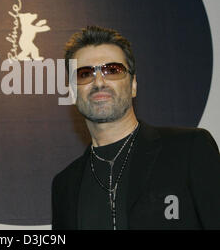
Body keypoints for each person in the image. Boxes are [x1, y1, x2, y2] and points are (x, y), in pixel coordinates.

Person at [51, 26, 220, 230]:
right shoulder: (65, 185)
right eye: (84, 74)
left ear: (133, 85)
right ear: (71, 92)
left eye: (112, 70)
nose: (98, 81)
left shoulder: (189, 150)